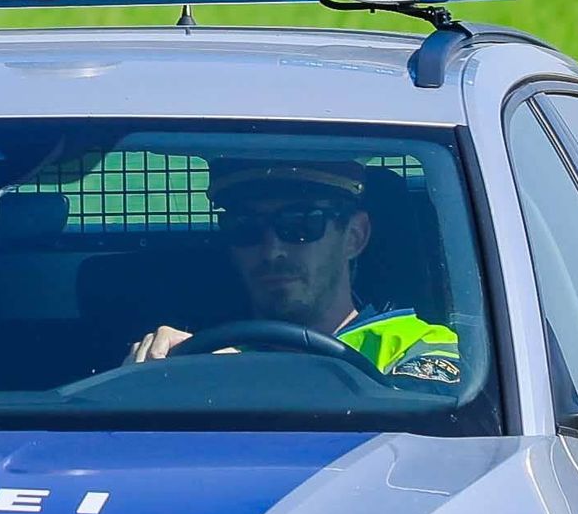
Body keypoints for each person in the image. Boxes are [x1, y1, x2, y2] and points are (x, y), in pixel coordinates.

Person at [126, 159, 463, 384]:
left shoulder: (417, 344)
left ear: (354, 237)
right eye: (245, 227)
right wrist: (153, 378)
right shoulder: (196, 359)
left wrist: (247, 378)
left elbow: (430, 426)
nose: (272, 251)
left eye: (301, 225)